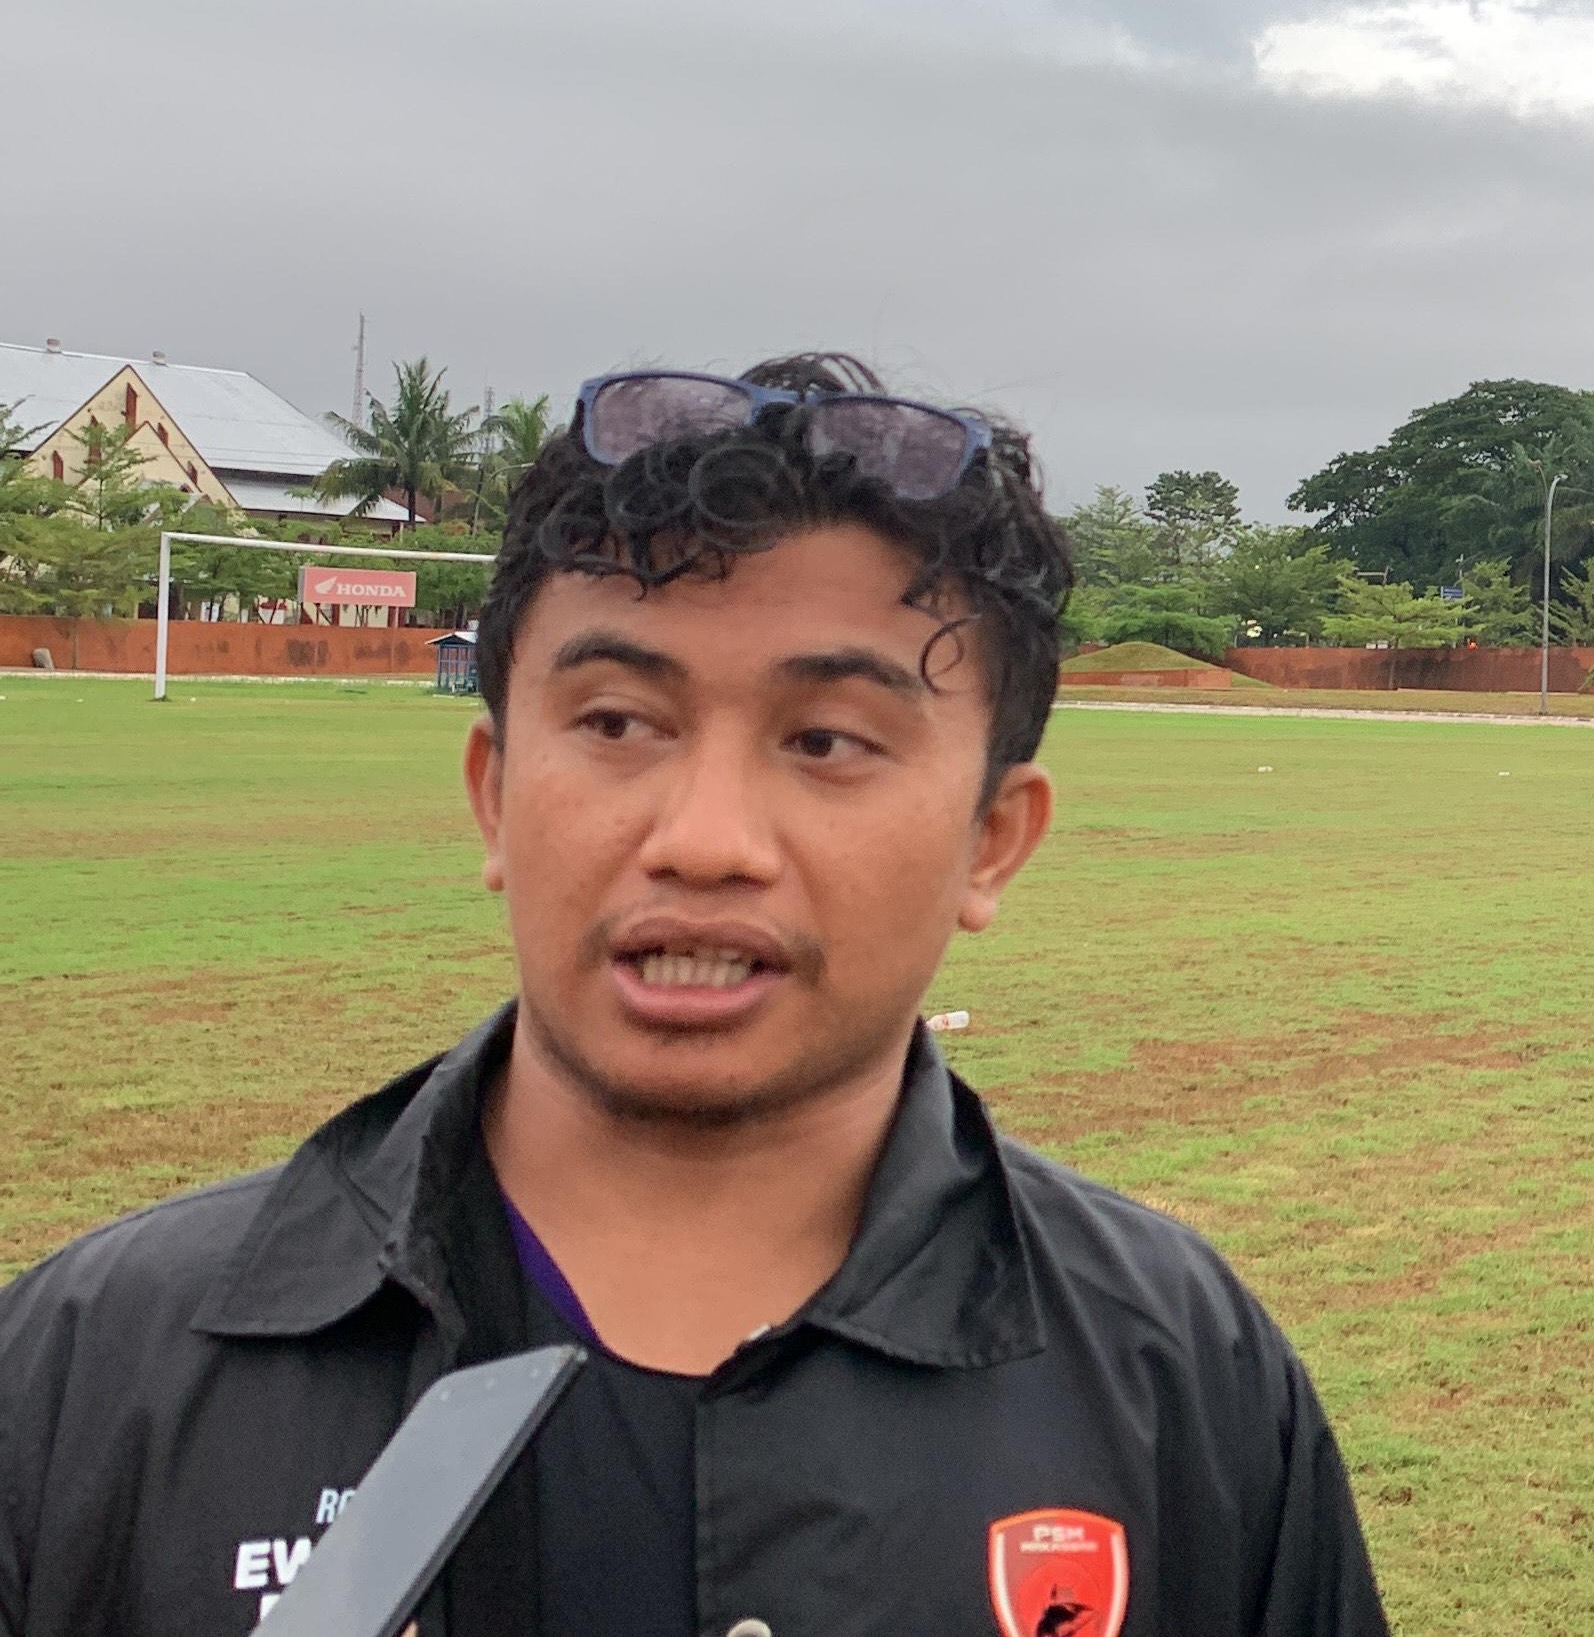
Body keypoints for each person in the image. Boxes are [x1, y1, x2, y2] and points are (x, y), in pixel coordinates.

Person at [0, 354, 1388, 1636]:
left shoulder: (1182, 1383)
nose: (706, 838)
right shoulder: (93, 1370)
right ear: (494, 795)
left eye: (828, 739)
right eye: (618, 723)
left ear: (992, 840)